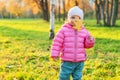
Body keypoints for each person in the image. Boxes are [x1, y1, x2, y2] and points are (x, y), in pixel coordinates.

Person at [51, 6, 95, 80]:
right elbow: (57, 43)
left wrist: (90, 40)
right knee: (64, 76)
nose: (75, 20)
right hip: (67, 60)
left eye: (78, 18)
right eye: (73, 17)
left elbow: (87, 45)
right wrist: (55, 54)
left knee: (78, 77)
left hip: (80, 61)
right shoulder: (63, 30)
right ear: (68, 19)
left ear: (82, 20)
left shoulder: (84, 31)